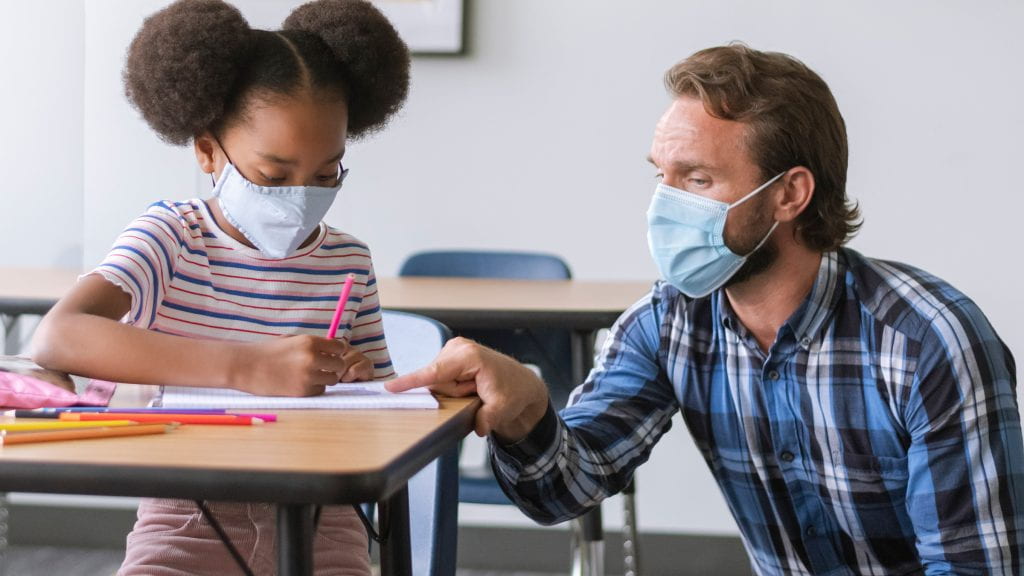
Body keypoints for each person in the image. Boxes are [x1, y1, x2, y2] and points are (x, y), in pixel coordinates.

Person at [387, 44, 1024, 574]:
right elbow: (567, 490)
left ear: (790, 195)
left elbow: (974, 566)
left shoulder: (927, 340)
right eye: (659, 176)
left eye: (696, 180)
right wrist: (527, 409)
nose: (664, 205)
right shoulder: (668, 323)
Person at [31, 0, 409, 573]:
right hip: (186, 517)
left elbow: (384, 406)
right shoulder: (172, 236)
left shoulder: (348, 261)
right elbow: (60, 337)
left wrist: (359, 379)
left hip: (322, 520)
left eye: (326, 174)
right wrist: (248, 367)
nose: (301, 195)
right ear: (209, 150)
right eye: (273, 176)